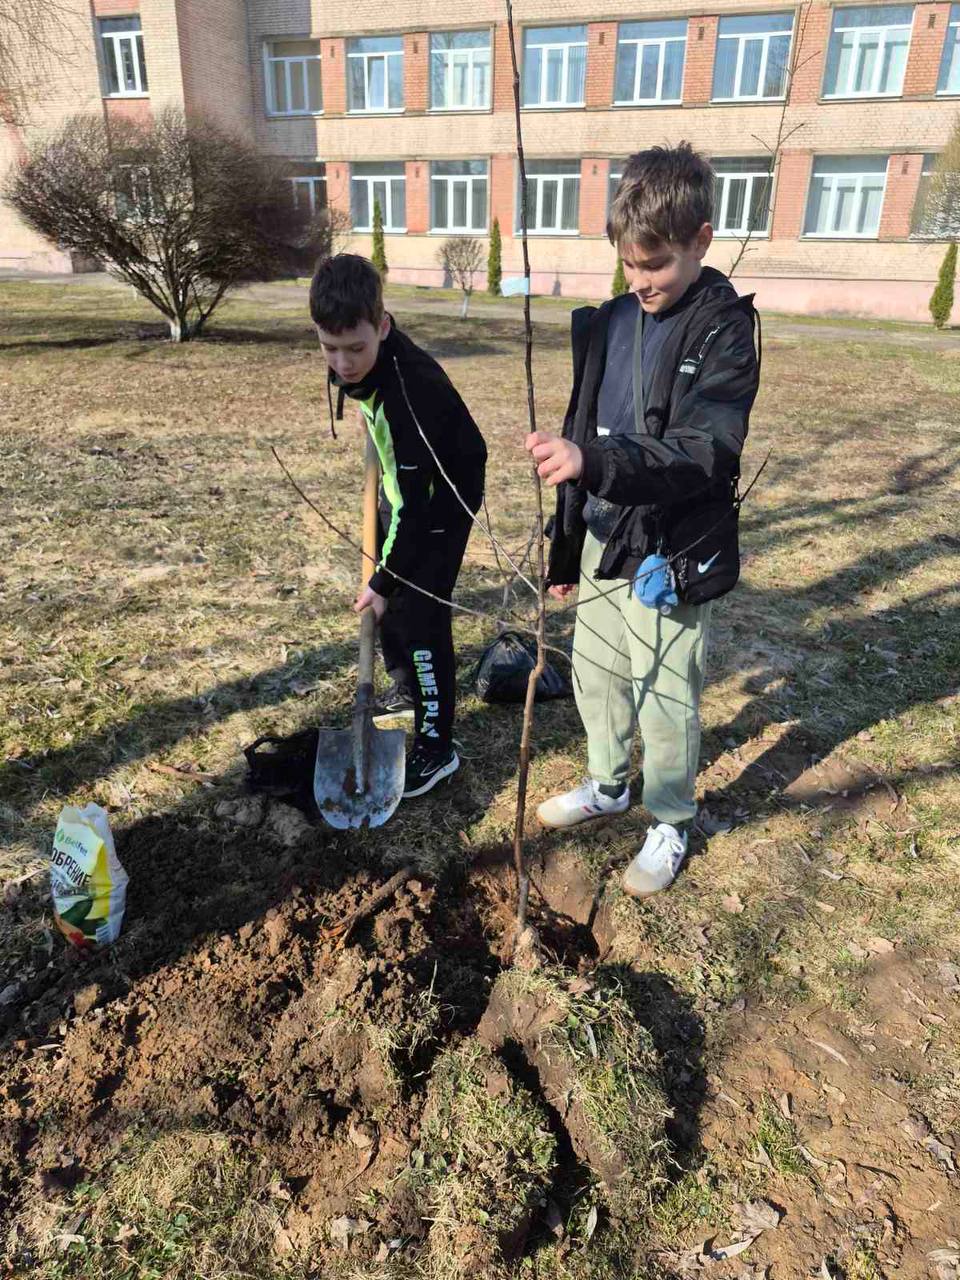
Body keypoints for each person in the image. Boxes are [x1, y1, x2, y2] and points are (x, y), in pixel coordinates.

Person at [525, 143, 760, 895]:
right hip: (603, 533)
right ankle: (606, 783)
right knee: (596, 675)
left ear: (701, 239)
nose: (641, 282)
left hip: (669, 549)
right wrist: (566, 552)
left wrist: (597, 463)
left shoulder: (724, 330)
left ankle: (669, 817)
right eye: (629, 264)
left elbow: (704, 450)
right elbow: (582, 424)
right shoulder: (612, 320)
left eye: (655, 265)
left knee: (665, 693)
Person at [309, 253, 487, 798]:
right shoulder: (363, 360)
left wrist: (384, 581)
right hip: (404, 487)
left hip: (441, 499)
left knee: (419, 613)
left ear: (383, 327)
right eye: (329, 347)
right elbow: (398, 493)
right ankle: (406, 687)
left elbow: (417, 510)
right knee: (389, 598)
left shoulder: (412, 393)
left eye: (355, 349)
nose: (342, 363)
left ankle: (438, 745)